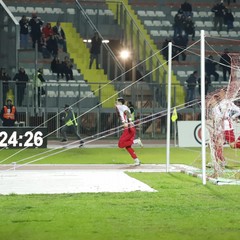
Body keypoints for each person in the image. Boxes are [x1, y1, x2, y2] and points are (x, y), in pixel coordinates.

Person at [115, 97, 143, 166]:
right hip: (130, 128)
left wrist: (129, 122)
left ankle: (136, 141)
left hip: (128, 129)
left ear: (120, 102)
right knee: (128, 147)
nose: (116, 102)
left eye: (117, 101)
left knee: (120, 144)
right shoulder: (125, 107)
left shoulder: (121, 106)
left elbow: (127, 113)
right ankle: (137, 160)